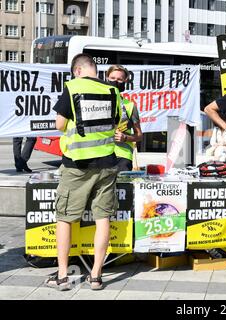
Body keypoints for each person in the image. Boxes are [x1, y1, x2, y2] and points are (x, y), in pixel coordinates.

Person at [45, 53, 122, 291]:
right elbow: (116, 121)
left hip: (77, 165)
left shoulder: (73, 87)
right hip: (107, 163)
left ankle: (62, 277)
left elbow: (59, 124)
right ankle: (96, 276)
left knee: (65, 217)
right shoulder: (113, 91)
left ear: (77, 70)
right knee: (103, 218)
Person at [106, 65, 143, 171]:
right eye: (112, 78)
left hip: (122, 157)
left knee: (121, 187)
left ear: (125, 81)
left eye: (119, 79)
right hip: (100, 155)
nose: (115, 82)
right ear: (107, 78)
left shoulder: (130, 106)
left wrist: (125, 138)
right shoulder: (98, 102)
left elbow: (139, 135)